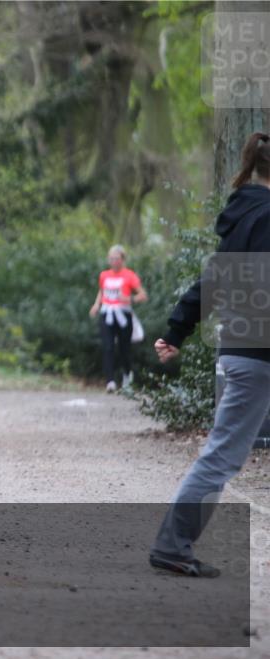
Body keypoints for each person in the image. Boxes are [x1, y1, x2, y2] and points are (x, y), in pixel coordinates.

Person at [150, 131, 270, 577]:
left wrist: (178, 330)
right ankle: (171, 545)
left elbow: (213, 279)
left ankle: (172, 544)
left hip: (244, 350)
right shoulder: (267, 219)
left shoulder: (242, 216)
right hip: (257, 354)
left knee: (223, 453)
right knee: (222, 456)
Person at [89, 245, 147, 392]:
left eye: (116, 258)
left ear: (122, 260)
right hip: (107, 314)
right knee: (108, 347)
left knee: (124, 348)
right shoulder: (104, 275)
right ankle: (110, 381)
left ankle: (127, 377)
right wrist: (96, 305)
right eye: (111, 258)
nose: (113, 261)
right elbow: (102, 291)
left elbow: (143, 295)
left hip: (123, 315)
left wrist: (130, 298)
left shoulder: (129, 275)